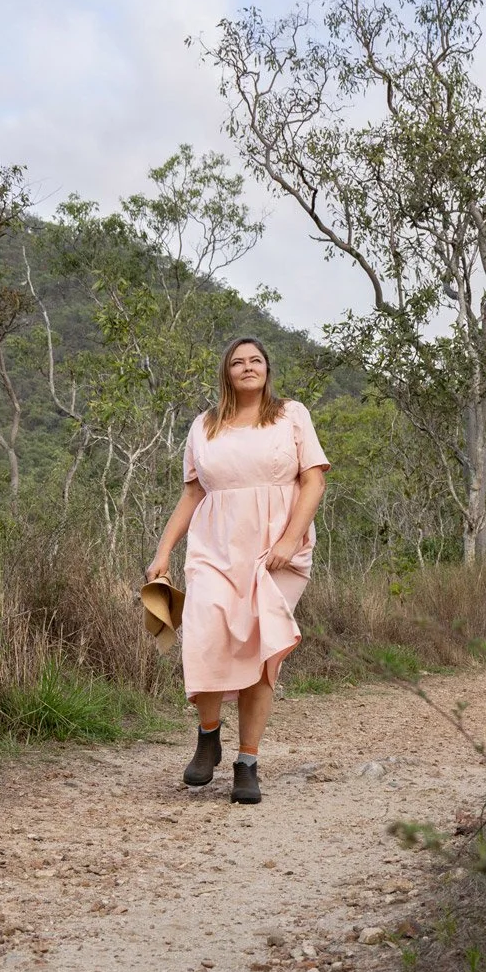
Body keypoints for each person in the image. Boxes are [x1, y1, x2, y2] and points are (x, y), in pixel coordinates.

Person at [146, 337, 329, 804]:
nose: (248, 367)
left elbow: (314, 479)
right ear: (226, 372)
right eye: (237, 362)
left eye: (256, 360)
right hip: (214, 548)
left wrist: (289, 539)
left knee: (262, 656)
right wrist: (163, 551)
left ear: (268, 368)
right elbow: (192, 494)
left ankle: (248, 762)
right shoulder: (203, 426)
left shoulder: (291, 414)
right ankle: (209, 735)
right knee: (205, 636)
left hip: (276, 553)